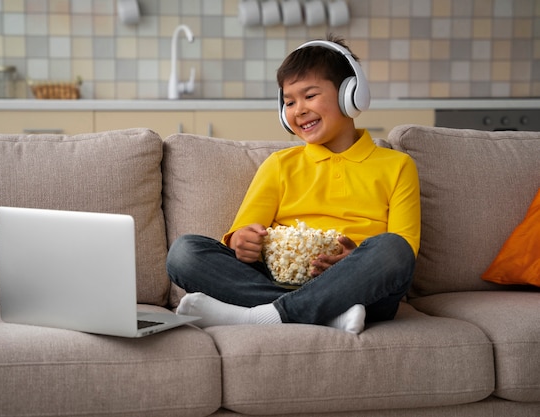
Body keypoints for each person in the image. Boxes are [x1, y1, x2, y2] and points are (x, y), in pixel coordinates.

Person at [166, 34, 420, 334]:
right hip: (282, 279)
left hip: (360, 287)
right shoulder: (280, 164)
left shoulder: (397, 166)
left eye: (310, 96)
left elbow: (406, 251)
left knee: (393, 248)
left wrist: (354, 262)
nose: (298, 109)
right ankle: (324, 314)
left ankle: (262, 314)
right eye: (289, 101)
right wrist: (241, 242)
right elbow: (242, 237)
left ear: (350, 95)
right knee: (185, 252)